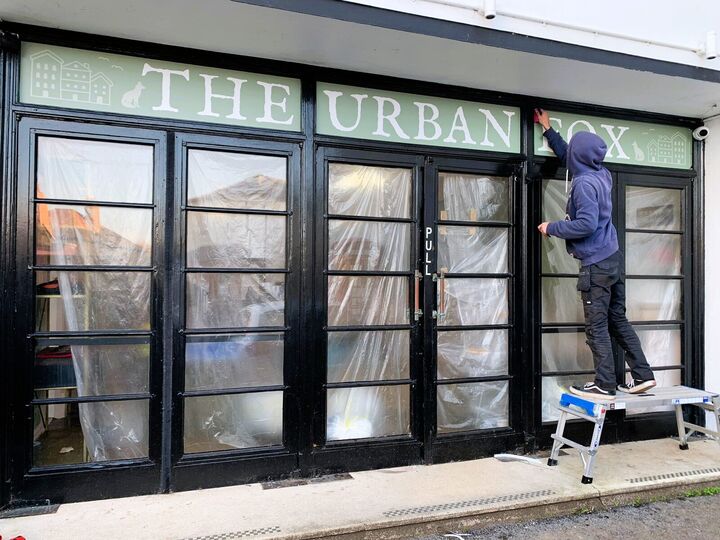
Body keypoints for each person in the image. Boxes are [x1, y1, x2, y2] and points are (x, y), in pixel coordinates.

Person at [535, 108, 656, 400]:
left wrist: (551, 226)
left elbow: (586, 224)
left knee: (597, 326)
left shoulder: (585, 184)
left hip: (597, 265)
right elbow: (570, 156)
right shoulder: (600, 173)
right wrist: (548, 130)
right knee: (618, 319)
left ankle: (605, 384)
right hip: (612, 259)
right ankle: (643, 376)